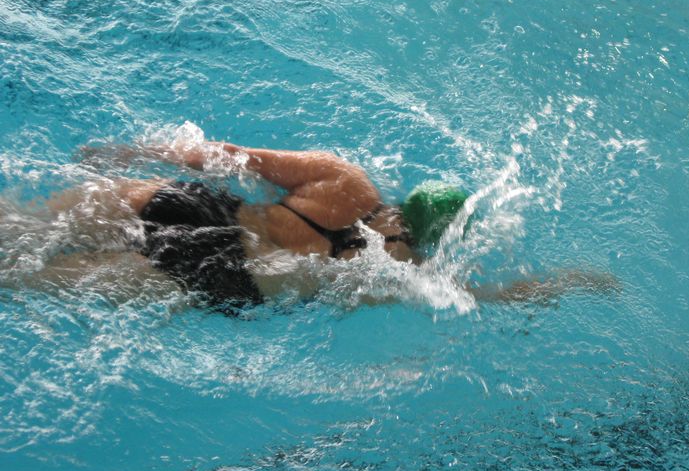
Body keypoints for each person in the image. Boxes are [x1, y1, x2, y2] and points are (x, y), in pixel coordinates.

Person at [24, 140, 617, 310]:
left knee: (23, 227)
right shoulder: (408, 270)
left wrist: (131, 152)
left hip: (195, 207)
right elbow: (483, 298)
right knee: (24, 279)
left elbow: (226, 155)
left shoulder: (347, 181)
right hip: (235, 274)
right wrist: (568, 282)